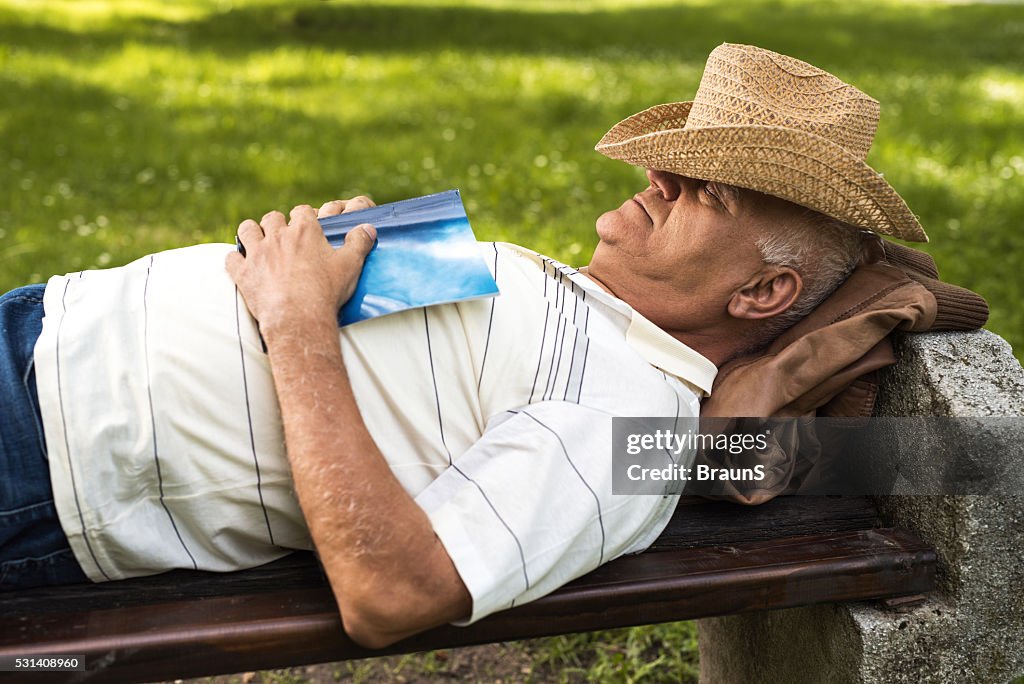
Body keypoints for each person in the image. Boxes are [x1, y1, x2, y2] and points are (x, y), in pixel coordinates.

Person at [0, 44, 931, 647]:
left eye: (708, 192)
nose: (662, 177)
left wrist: (297, 321)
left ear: (760, 292)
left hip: (50, 448)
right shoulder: (587, 307)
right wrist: (347, 257)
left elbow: (394, 594)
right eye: (676, 162)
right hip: (49, 326)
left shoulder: (626, 418)